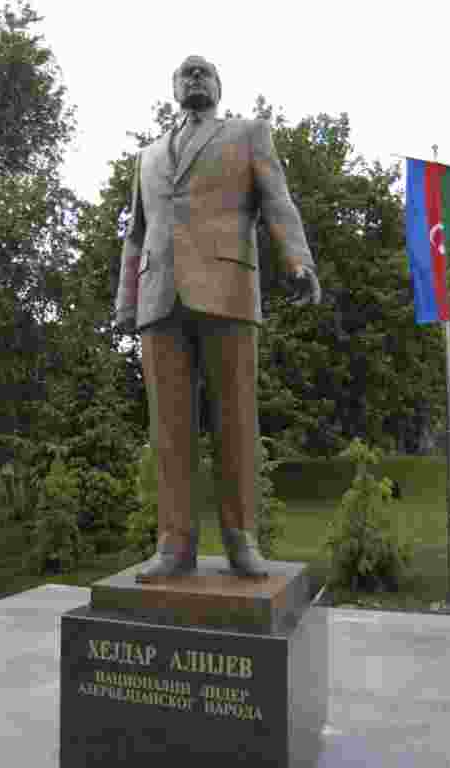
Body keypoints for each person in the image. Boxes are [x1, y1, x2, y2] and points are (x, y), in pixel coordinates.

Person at [114, 55, 321, 581]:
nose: (194, 78)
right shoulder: (148, 156)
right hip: (160, 301)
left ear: (219, 86)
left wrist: (297, 260)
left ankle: (242, 541)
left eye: (204, 71)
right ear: (174, 88)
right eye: (185, 73)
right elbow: (136, 234)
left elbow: (278, 201)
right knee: (169, 429)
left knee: (235, 422)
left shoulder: (248, 134)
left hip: (227, 290)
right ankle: (174, 546)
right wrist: (125, 301)